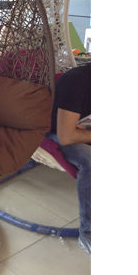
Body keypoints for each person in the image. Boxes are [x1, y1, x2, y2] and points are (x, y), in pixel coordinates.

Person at [49, 63, 91, 254]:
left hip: (83, 129)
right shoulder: (77, 81)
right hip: (57, 132)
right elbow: (67, 136)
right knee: (92, 162)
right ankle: (88, 233)